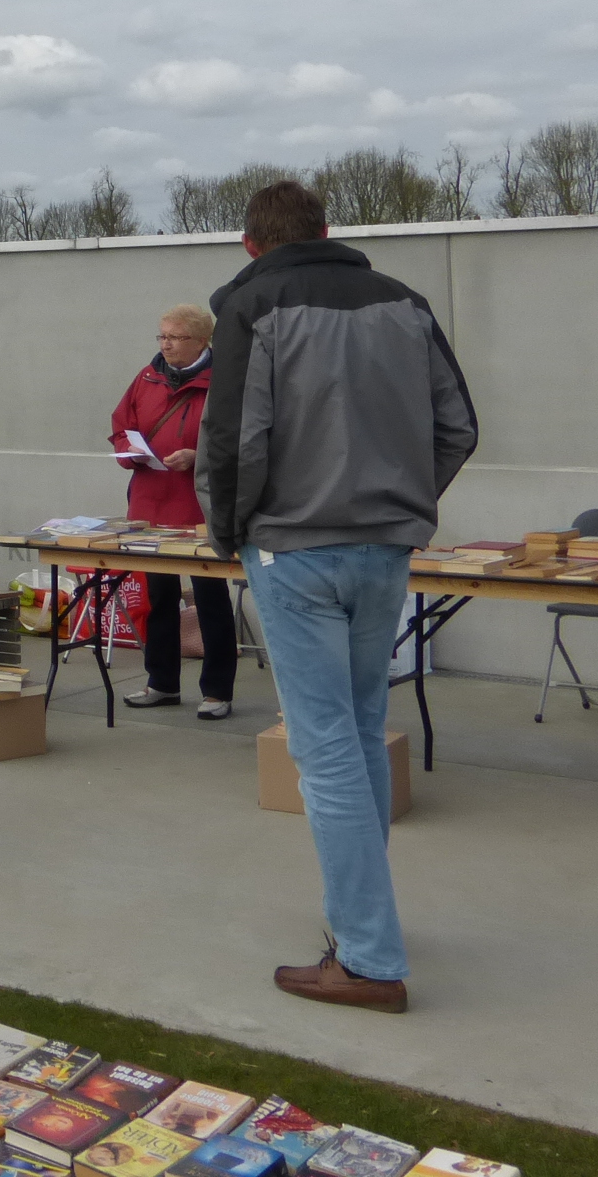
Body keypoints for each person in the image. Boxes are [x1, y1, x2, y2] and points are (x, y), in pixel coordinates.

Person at [201, 180, 477, 1014]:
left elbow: (235, 437)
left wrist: (231, 532)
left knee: (324, 751)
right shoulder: (404, 302)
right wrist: (401, 504)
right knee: (355, 735)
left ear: (251, 245)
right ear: (325, 230)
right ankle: (363, 925)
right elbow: (456, 425)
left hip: (293, 550)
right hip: (382, 549)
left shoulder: (253, 306)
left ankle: (367, 955)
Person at [112, 303, 238, 720]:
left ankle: (218, 691)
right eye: (162, 336)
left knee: (210, 598)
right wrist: (130, 453)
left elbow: (242, 439)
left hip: (200, 505)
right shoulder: (146, 377)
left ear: (202, 341)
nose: (165, 344)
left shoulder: (224, 381)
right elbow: (121, 424)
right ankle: (161, 682)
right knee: (158, 597)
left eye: (175, 337)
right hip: (150, 502)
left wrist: (200, 456)